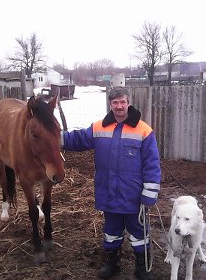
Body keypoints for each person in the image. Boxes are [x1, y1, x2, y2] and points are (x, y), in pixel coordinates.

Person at [61, 87, 161, 280]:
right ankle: (112, 263)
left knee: (139, 232)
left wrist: (150, 191)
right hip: (109, 192)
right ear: (110, 104)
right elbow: (78, 139)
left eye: (122, 102)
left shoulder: (144, 130)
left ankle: (142, 266)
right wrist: (55, 137)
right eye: (115, 103)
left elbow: (152, 163)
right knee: (111, 232)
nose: (119, 106)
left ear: (128, 103)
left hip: (133, 195)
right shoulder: (99, 127)